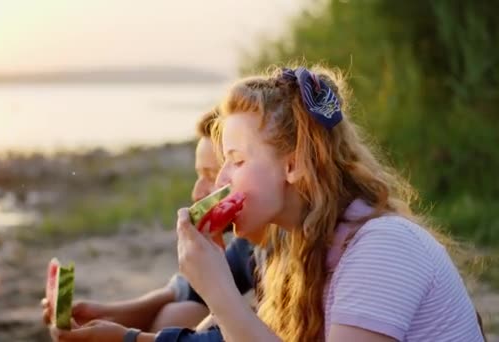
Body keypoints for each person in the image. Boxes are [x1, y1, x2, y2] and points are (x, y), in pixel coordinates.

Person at [51, 64, 486, 341]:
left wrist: (219, 291)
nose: (220, 181)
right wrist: (124, 337)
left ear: (294, 164)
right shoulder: (300, 250)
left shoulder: (382, 246)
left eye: (235, 161)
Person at [42, 107, 255, 336]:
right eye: (198, 175)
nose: (196, 193)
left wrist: (126, 338)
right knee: (181, 310)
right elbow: (187, 291)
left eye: (212, 176)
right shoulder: (248, 247)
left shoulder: (279, 251)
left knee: (182, 315)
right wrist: (103, 314)